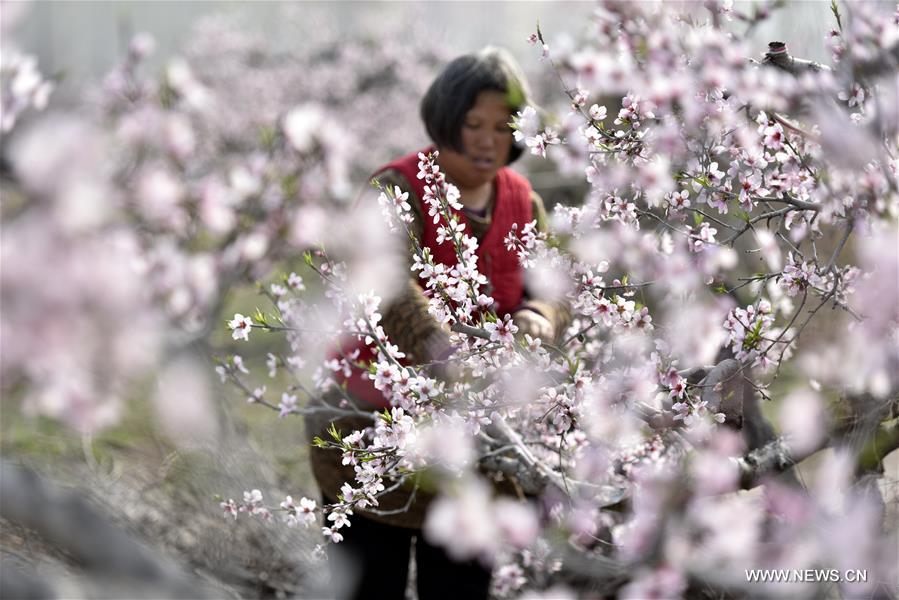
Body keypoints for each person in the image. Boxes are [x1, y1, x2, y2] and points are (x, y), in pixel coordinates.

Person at [306, 47, 569, 600]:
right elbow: (386, 285)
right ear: (446, 120)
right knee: (367, 582)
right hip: (371, 427)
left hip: (475, 439)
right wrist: (443, 349)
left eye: (503, 126)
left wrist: (539, 316)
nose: (486, 139)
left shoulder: (526, 204)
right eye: (473, 123)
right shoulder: (396, 191)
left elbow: (551, 289)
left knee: (460, 586)